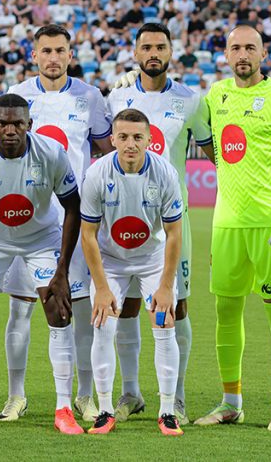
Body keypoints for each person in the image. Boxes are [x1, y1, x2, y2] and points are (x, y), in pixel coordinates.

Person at [194, 25, 271, 432]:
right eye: (235, 48)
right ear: (225, 55)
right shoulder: (216, 95)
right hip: (226, 224)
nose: (242, 54)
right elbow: (191, 127)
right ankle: (231, 403)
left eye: (250, 47)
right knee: (226, 313)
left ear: (263, 54)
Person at [0, 93, 81, 433]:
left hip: (41, 238)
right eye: (2, 123)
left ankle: (64, 408)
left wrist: (62, 271)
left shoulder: (52, 153)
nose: (10, 130)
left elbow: (73, 208)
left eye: (17, 123)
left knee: (58, 310)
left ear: (29, 125)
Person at [3, 24, 113, 424]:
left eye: (60, 50)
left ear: (70, 54)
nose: (53, 57)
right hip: (25, 218)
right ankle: (16, 395)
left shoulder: (90, 96)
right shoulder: (17, 96)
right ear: (34, 55)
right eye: (46, 51)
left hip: (73, 221)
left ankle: (84, 395)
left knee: (79, 310)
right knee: (20, 310)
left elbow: (107, 151)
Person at [107, 22, 214, 425]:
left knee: (176, 305)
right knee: (127, 306)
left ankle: (178, 397)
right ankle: (131, 392)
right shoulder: (117, 96)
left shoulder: (191, 100)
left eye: (160, 47)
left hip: (171, 220)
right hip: (123, 215)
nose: (153, 53)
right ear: (135, 53)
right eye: (146, 47)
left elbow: (216, 154)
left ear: (172, 51)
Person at [81, 108, 185, 436]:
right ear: (112, 139)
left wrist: (166, 286)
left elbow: (174, 234)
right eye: (123, 137)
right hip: (111, 260)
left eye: (138, 137)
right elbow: (88, 235)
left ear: (149, 140)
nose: (130, 144)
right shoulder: (97, 174)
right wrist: (101, 288)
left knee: (163, 324)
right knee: (103, 326)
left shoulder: (165, 173)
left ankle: (167, 411)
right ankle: (105, 410)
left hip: (153, 260)